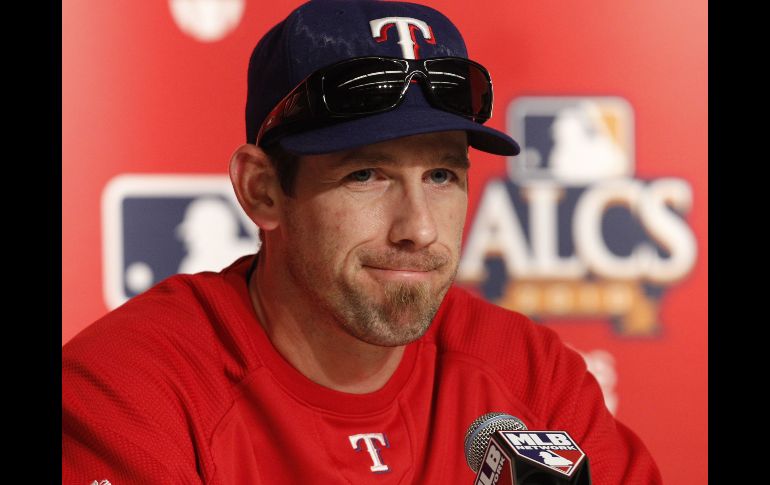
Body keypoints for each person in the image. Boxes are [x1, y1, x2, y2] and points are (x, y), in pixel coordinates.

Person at [62, 1, 663, 484]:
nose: (419, 229)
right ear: (262, 190)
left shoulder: (531, 376)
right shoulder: (131, 390)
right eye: (366, 175)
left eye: (442, 176)